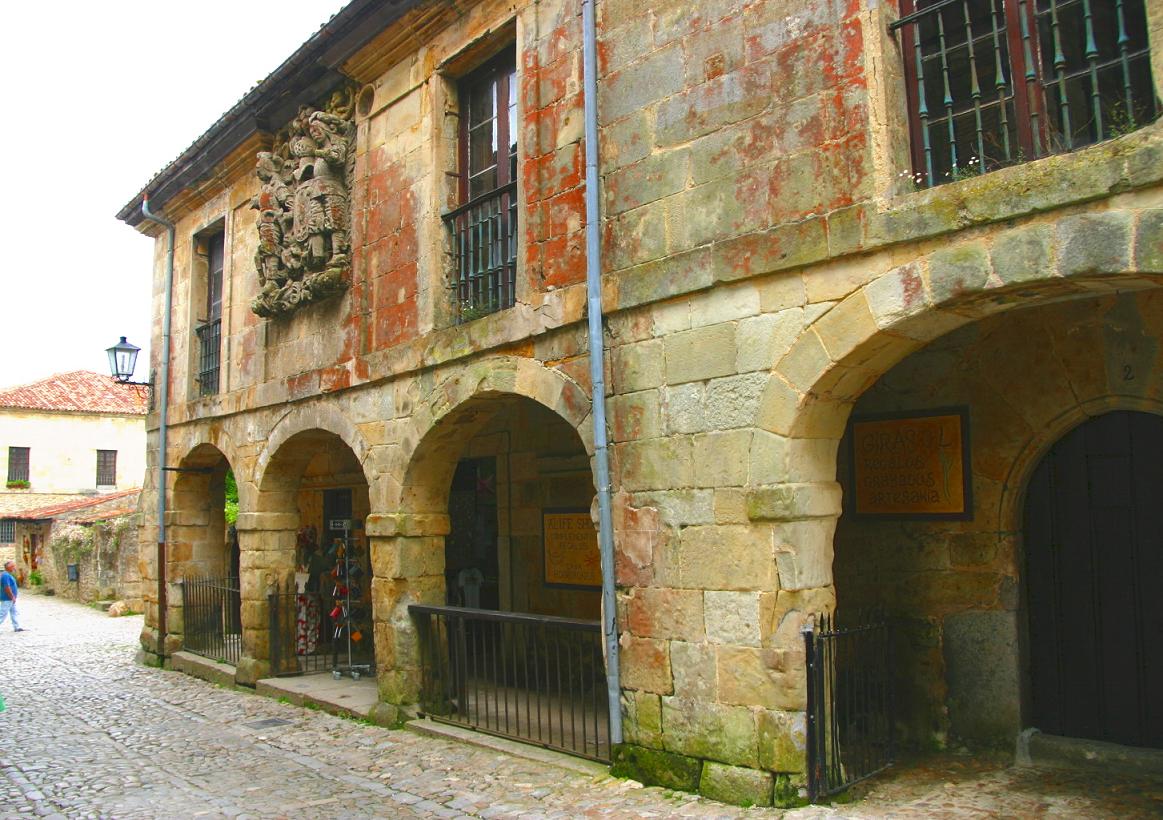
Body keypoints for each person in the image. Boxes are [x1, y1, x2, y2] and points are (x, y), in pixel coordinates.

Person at [1, 560, 25, 632]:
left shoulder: (7, 574)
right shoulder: (5, 575)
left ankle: (17, 627)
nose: (14, 568)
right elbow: (6, 587)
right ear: (8, 567)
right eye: (13, 566)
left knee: (14, 612)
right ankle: (16, 627)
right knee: (2, 613)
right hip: (7, 598)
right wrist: (12, 597)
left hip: (10, 598)